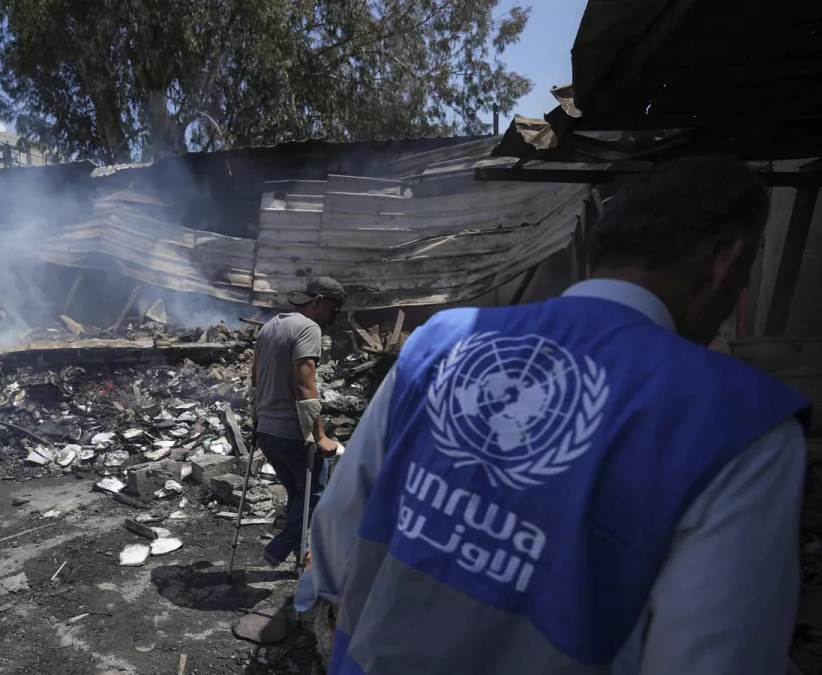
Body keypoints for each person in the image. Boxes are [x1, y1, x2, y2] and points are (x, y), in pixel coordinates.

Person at [301, 156, 812, 674]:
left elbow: (341, 525)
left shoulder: (443, 340)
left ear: (599, 253)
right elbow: (713, 658)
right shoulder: (741, 426)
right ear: (725, 262)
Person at [249, 277, 346, 568]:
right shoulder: (308, 328)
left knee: (298, 495)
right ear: (318, 302)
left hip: (267, 431)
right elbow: (305, 387)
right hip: (291, 433)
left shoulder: (270, 326)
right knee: (318, 494)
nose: (334, 319)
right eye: (334, 310)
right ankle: (278, 549)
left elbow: (254, 381)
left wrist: (256, 421)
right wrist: (319, 437)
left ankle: (301, 554)